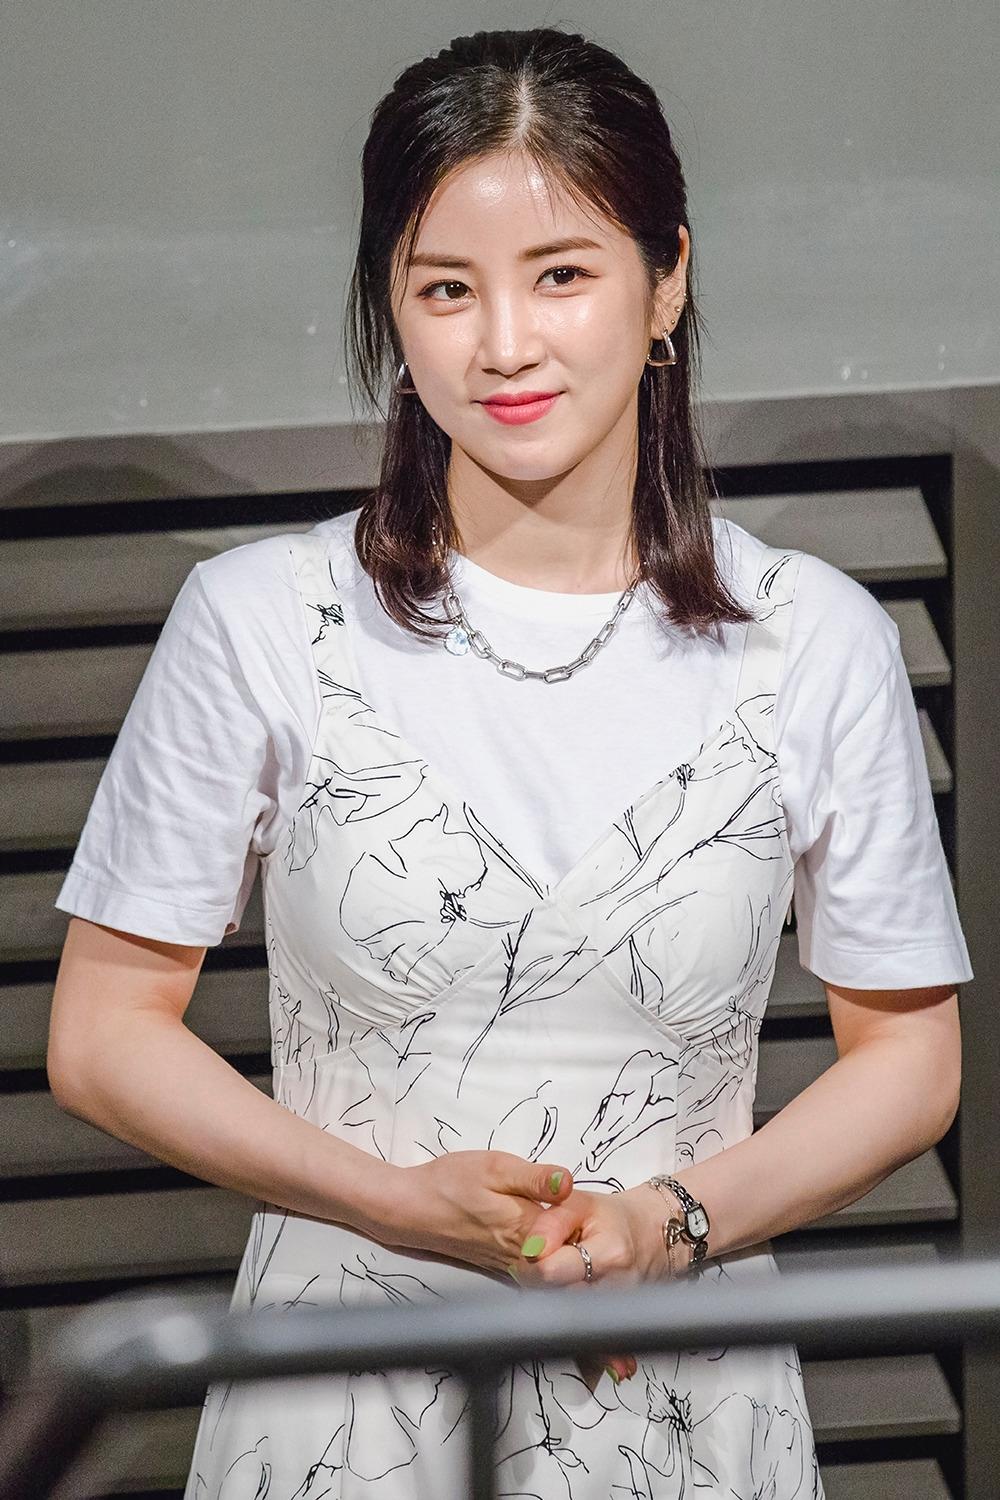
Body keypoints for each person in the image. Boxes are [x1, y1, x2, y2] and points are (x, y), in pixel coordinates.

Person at [47, 26, 972, 1500]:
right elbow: (102, 1036)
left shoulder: (814, 639)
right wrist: (389, 1201)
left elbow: (912, 1060)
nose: (504, 344)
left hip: (680, 1387)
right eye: (445, 289)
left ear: (666, 282)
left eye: (561, 275)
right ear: (391, 309)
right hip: (343, 1388)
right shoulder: (259, 620)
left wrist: (672, 1220)